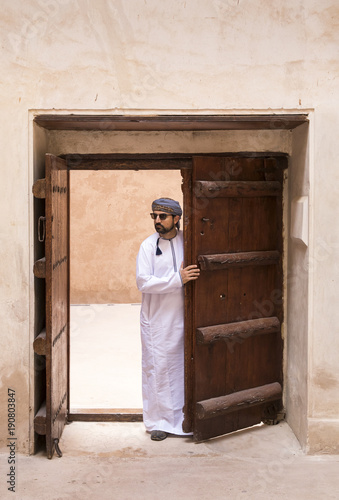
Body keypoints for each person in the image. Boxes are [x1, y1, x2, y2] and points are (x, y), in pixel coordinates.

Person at [136, 197, 200, 441]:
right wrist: (177, 279)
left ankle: (188, 419)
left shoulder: (188, 241)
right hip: (158, 321)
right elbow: (143, 282)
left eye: (162, 216)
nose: (157, 221)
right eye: (154, 216)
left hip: (186, 318)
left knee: (185, 367)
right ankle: (159, 422)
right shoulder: (148, 246)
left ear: (176, 218)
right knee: (159, 370)